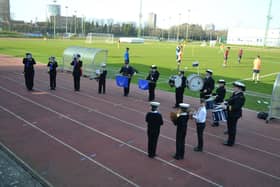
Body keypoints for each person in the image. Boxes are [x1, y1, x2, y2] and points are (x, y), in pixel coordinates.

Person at [223, 81, 246, 147]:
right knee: (230, 127)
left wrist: (226, 107)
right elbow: (231, 100)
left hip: (234, 114)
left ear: (240, 89)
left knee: (232, 128)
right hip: (231, 114)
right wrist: (226, 101)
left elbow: (235, 107)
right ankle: (229, 139)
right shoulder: (235, 93)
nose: (234, 88)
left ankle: (230, 142)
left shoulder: (241, 97)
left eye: (235, 87)